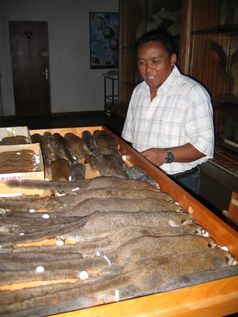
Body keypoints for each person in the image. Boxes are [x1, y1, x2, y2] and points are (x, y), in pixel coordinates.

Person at [121, 28, 214, 195]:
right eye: (142, 62)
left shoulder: (193, 93)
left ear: (172, 59)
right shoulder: (139, 91)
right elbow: (129, 138)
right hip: (141, 176)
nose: (148, 69)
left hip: (179, 180)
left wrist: (165, 155)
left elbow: (204, 145)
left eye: (155, 61)